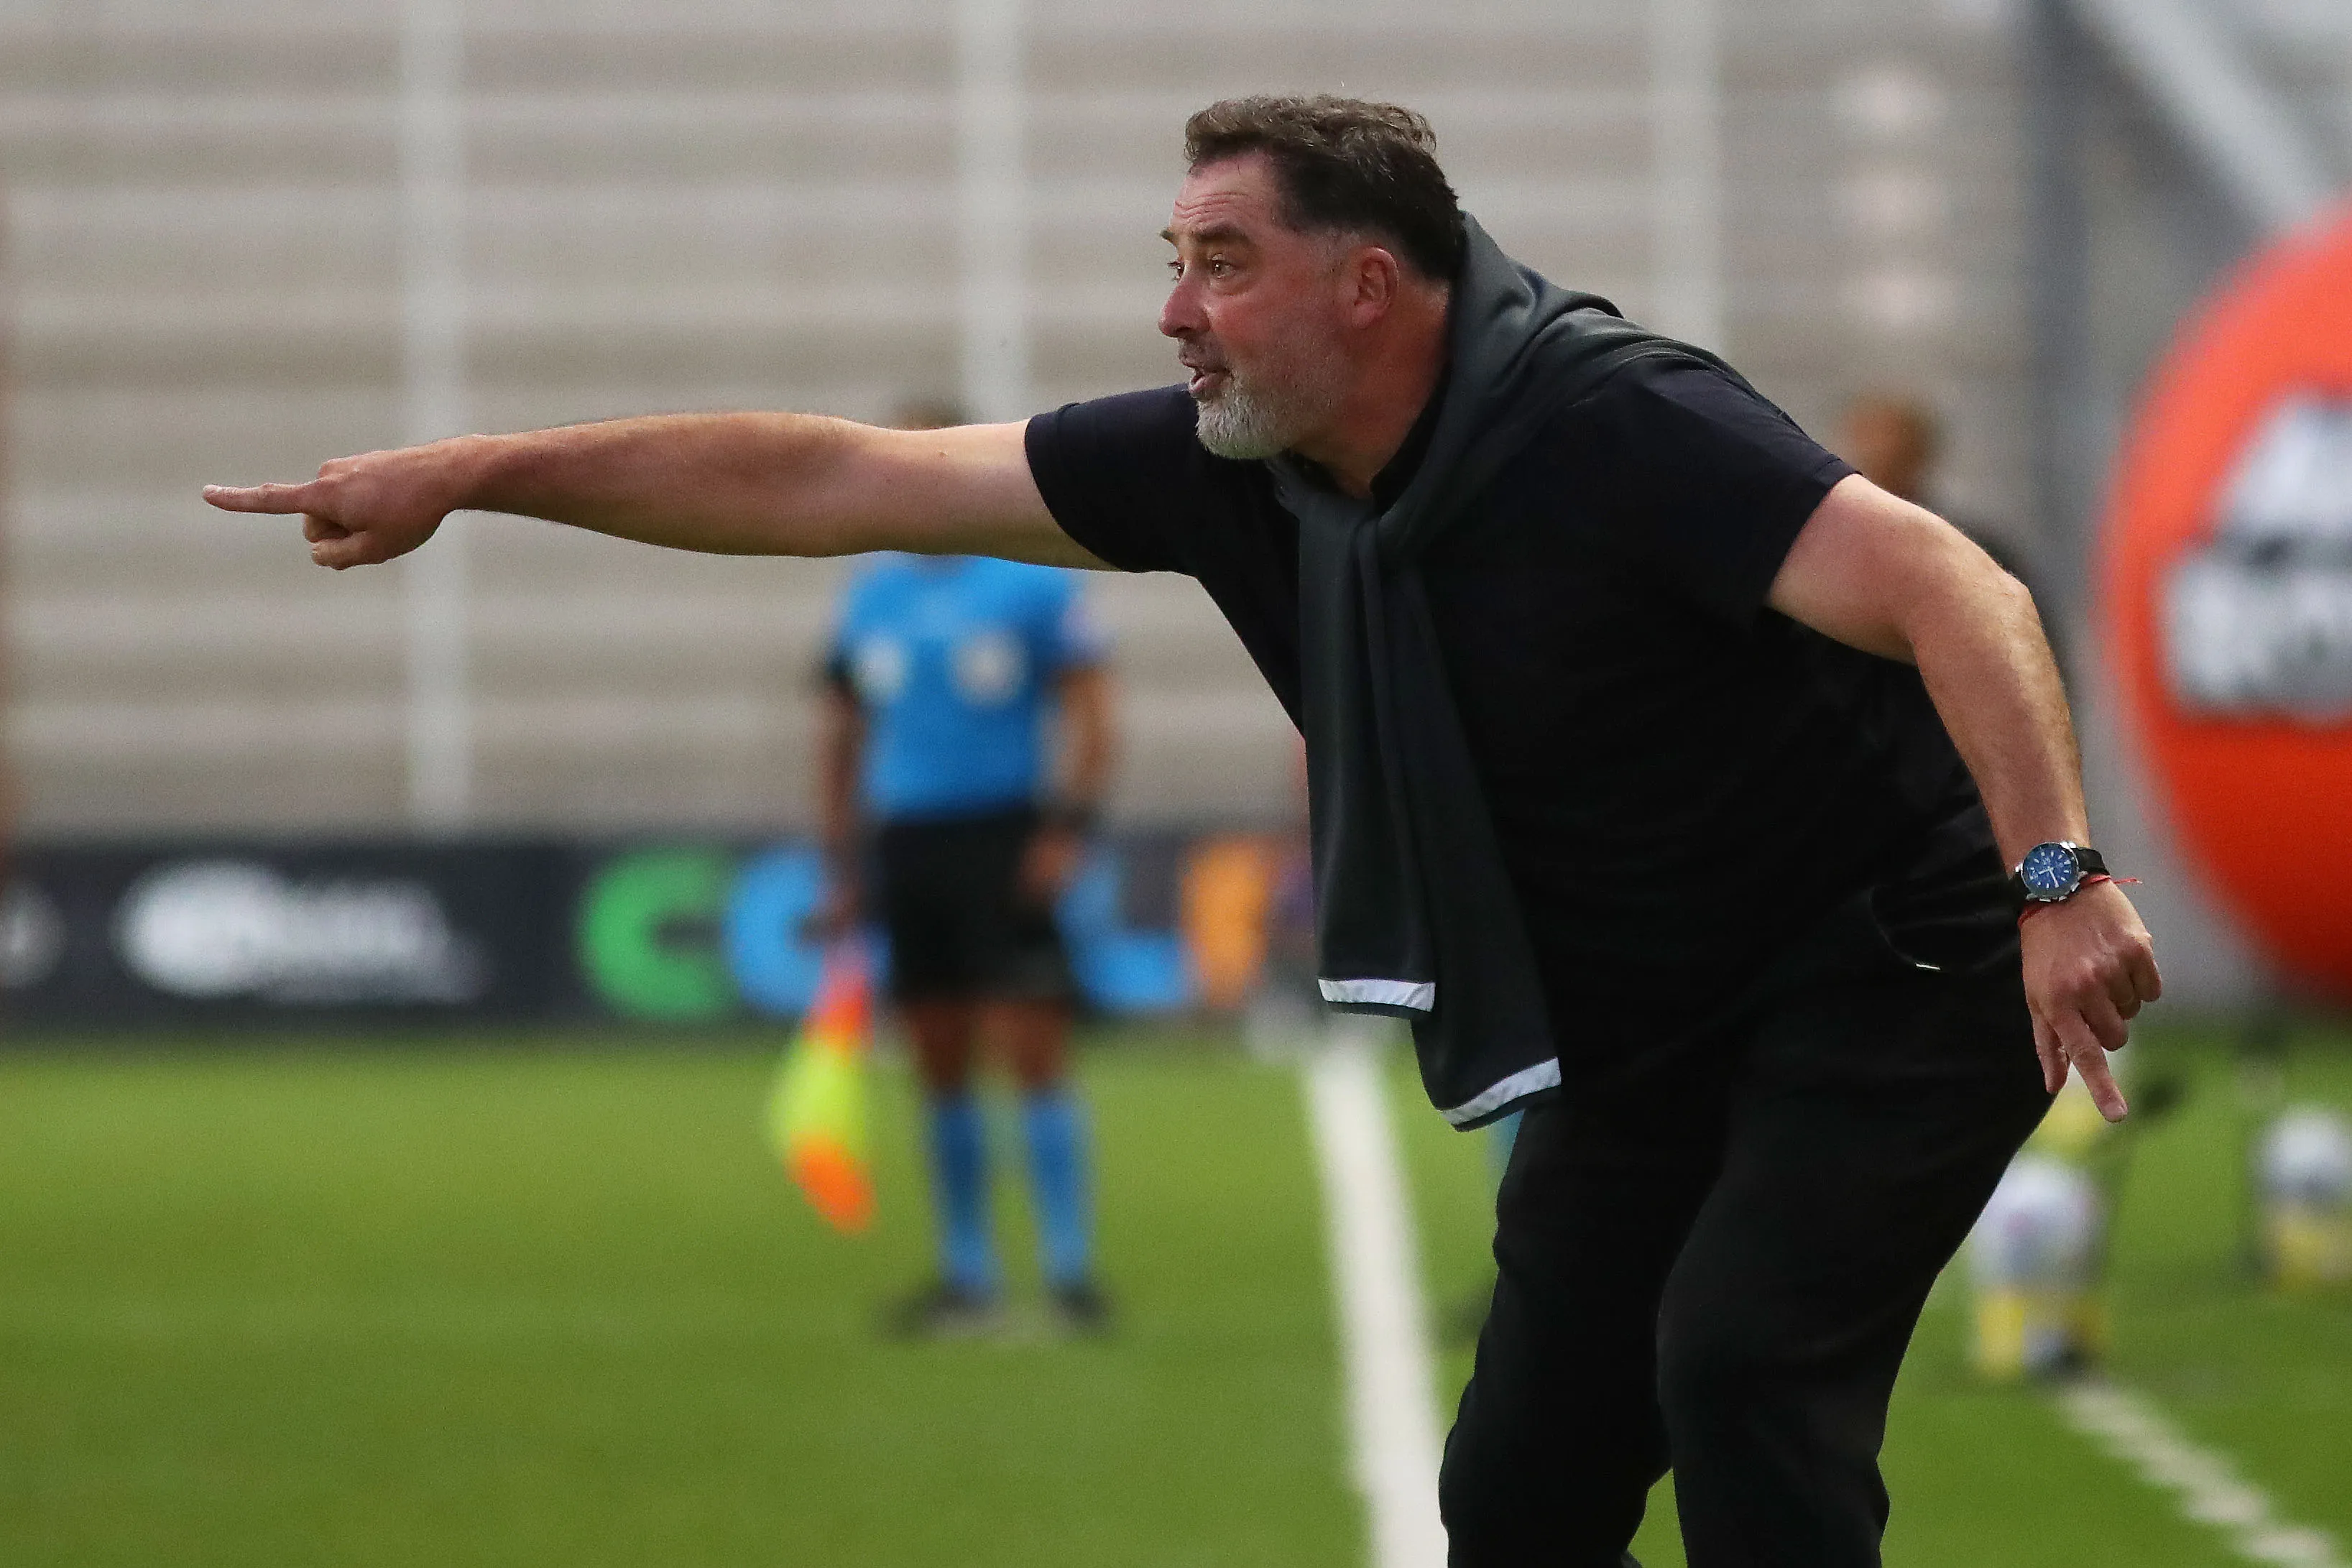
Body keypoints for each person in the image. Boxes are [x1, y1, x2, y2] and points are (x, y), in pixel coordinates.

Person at [207, 94, 2161, 1568]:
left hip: (1886, 956)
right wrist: (484, 471)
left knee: (1739, 1365)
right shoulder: (1218, 466)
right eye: (1176, 255)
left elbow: (1947, 587)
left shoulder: (1614, 421)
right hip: (1640, 1013)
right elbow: (831, 474)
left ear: (1367, 287)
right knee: (1522, 1479)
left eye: (1222, 261)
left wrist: (2055, 880)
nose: (1175, 310)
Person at [814, 400, 1118, 1337]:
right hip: (911, 843)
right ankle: (967, 1272)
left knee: (1033, 1051)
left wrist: (1064, 831)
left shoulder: (1030, 582)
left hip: (1005, 835)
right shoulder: (870, 596)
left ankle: (1070, 1271)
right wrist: (844, 864)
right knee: (939, 1062)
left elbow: (1093, 717)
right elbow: (842, 738)